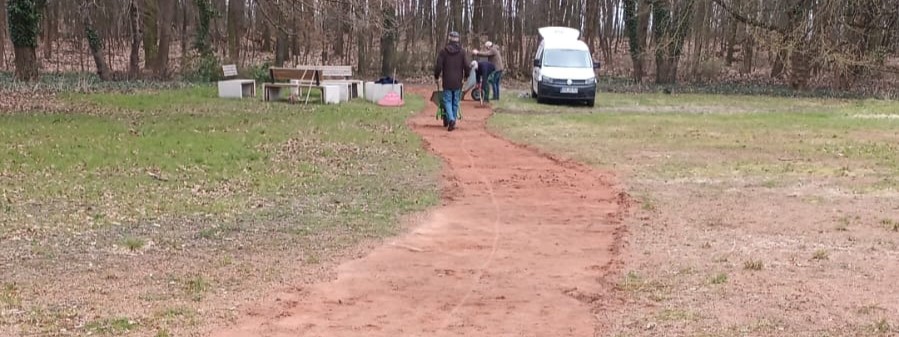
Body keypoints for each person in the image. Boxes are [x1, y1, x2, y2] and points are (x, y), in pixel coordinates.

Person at [434, 31, 471, 132]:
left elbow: (438, 66)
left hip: (447, 81)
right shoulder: (462, 52)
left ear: (449, 39)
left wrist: (436, 76)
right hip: (458, 81)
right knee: (455, 101)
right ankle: (453, 120)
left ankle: (451, 120)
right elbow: (467, 66)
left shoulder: (443, 51)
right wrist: (466, 76)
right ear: (458, 40)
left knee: (447, 100)